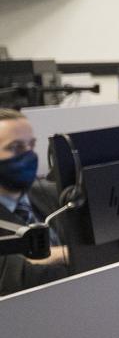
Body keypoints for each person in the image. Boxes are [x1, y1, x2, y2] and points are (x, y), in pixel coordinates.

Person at [0, 108, 69, 296]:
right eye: (15, 148)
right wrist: (69, 254)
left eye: (31, 145)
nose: (29, 155)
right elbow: (16, 276)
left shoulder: (52, 193)